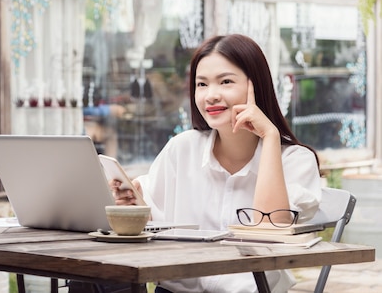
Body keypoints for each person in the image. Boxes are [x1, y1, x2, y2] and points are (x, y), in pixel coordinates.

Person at [113, 34, 322, 293]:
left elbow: (271, 230)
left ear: (255, 85)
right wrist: (132, 202)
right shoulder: (182, 148)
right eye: (202, 84)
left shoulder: (295, 161)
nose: (211, 96)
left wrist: (269, 137)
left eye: (225, 82)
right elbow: (150, 218)